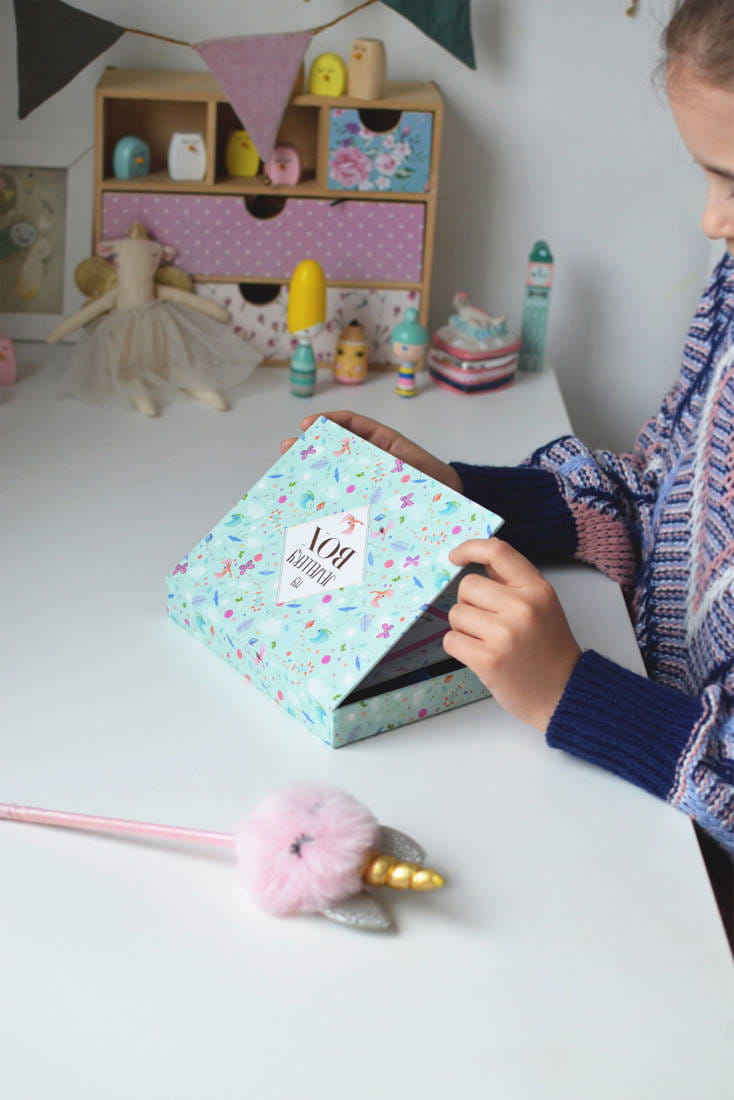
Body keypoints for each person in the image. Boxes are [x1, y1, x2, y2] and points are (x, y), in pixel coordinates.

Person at [281, 0, 734, 935]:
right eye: (709, 173)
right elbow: (667, 497)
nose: (713, 218)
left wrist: (576, 695)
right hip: (649, 828)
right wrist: (463, 493)